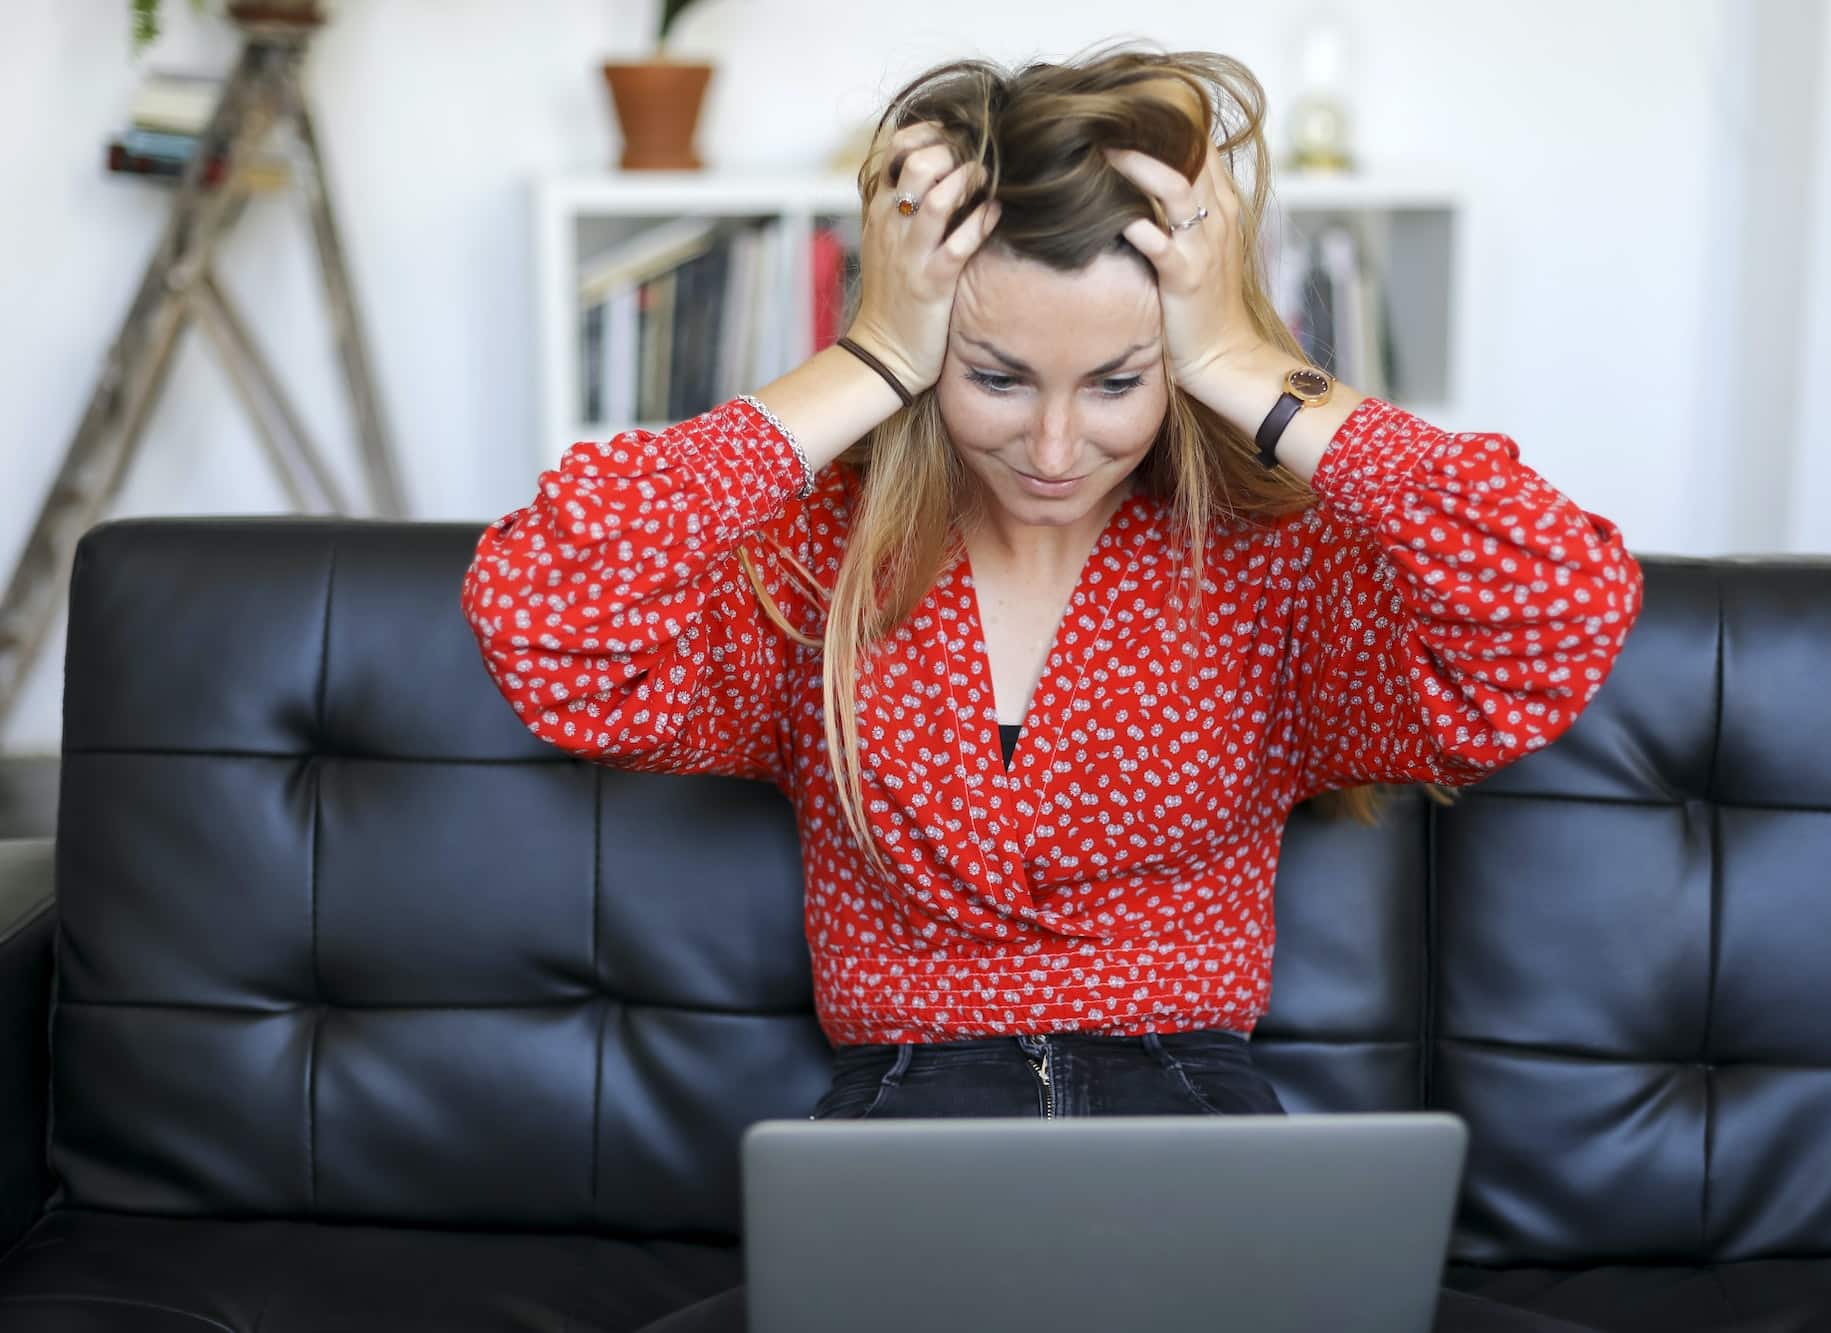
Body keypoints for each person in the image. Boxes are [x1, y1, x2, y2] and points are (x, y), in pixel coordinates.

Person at [461, 41, 1641, 1333]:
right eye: (998, 376)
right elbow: (546, 611)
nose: (1057, 446)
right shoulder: (820, 563)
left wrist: (1249, 363)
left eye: (1120, 381)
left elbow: (1559, 603)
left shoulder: (1276, 576)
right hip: (897, 1162)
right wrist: (863, 359)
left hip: (1200, 1154)